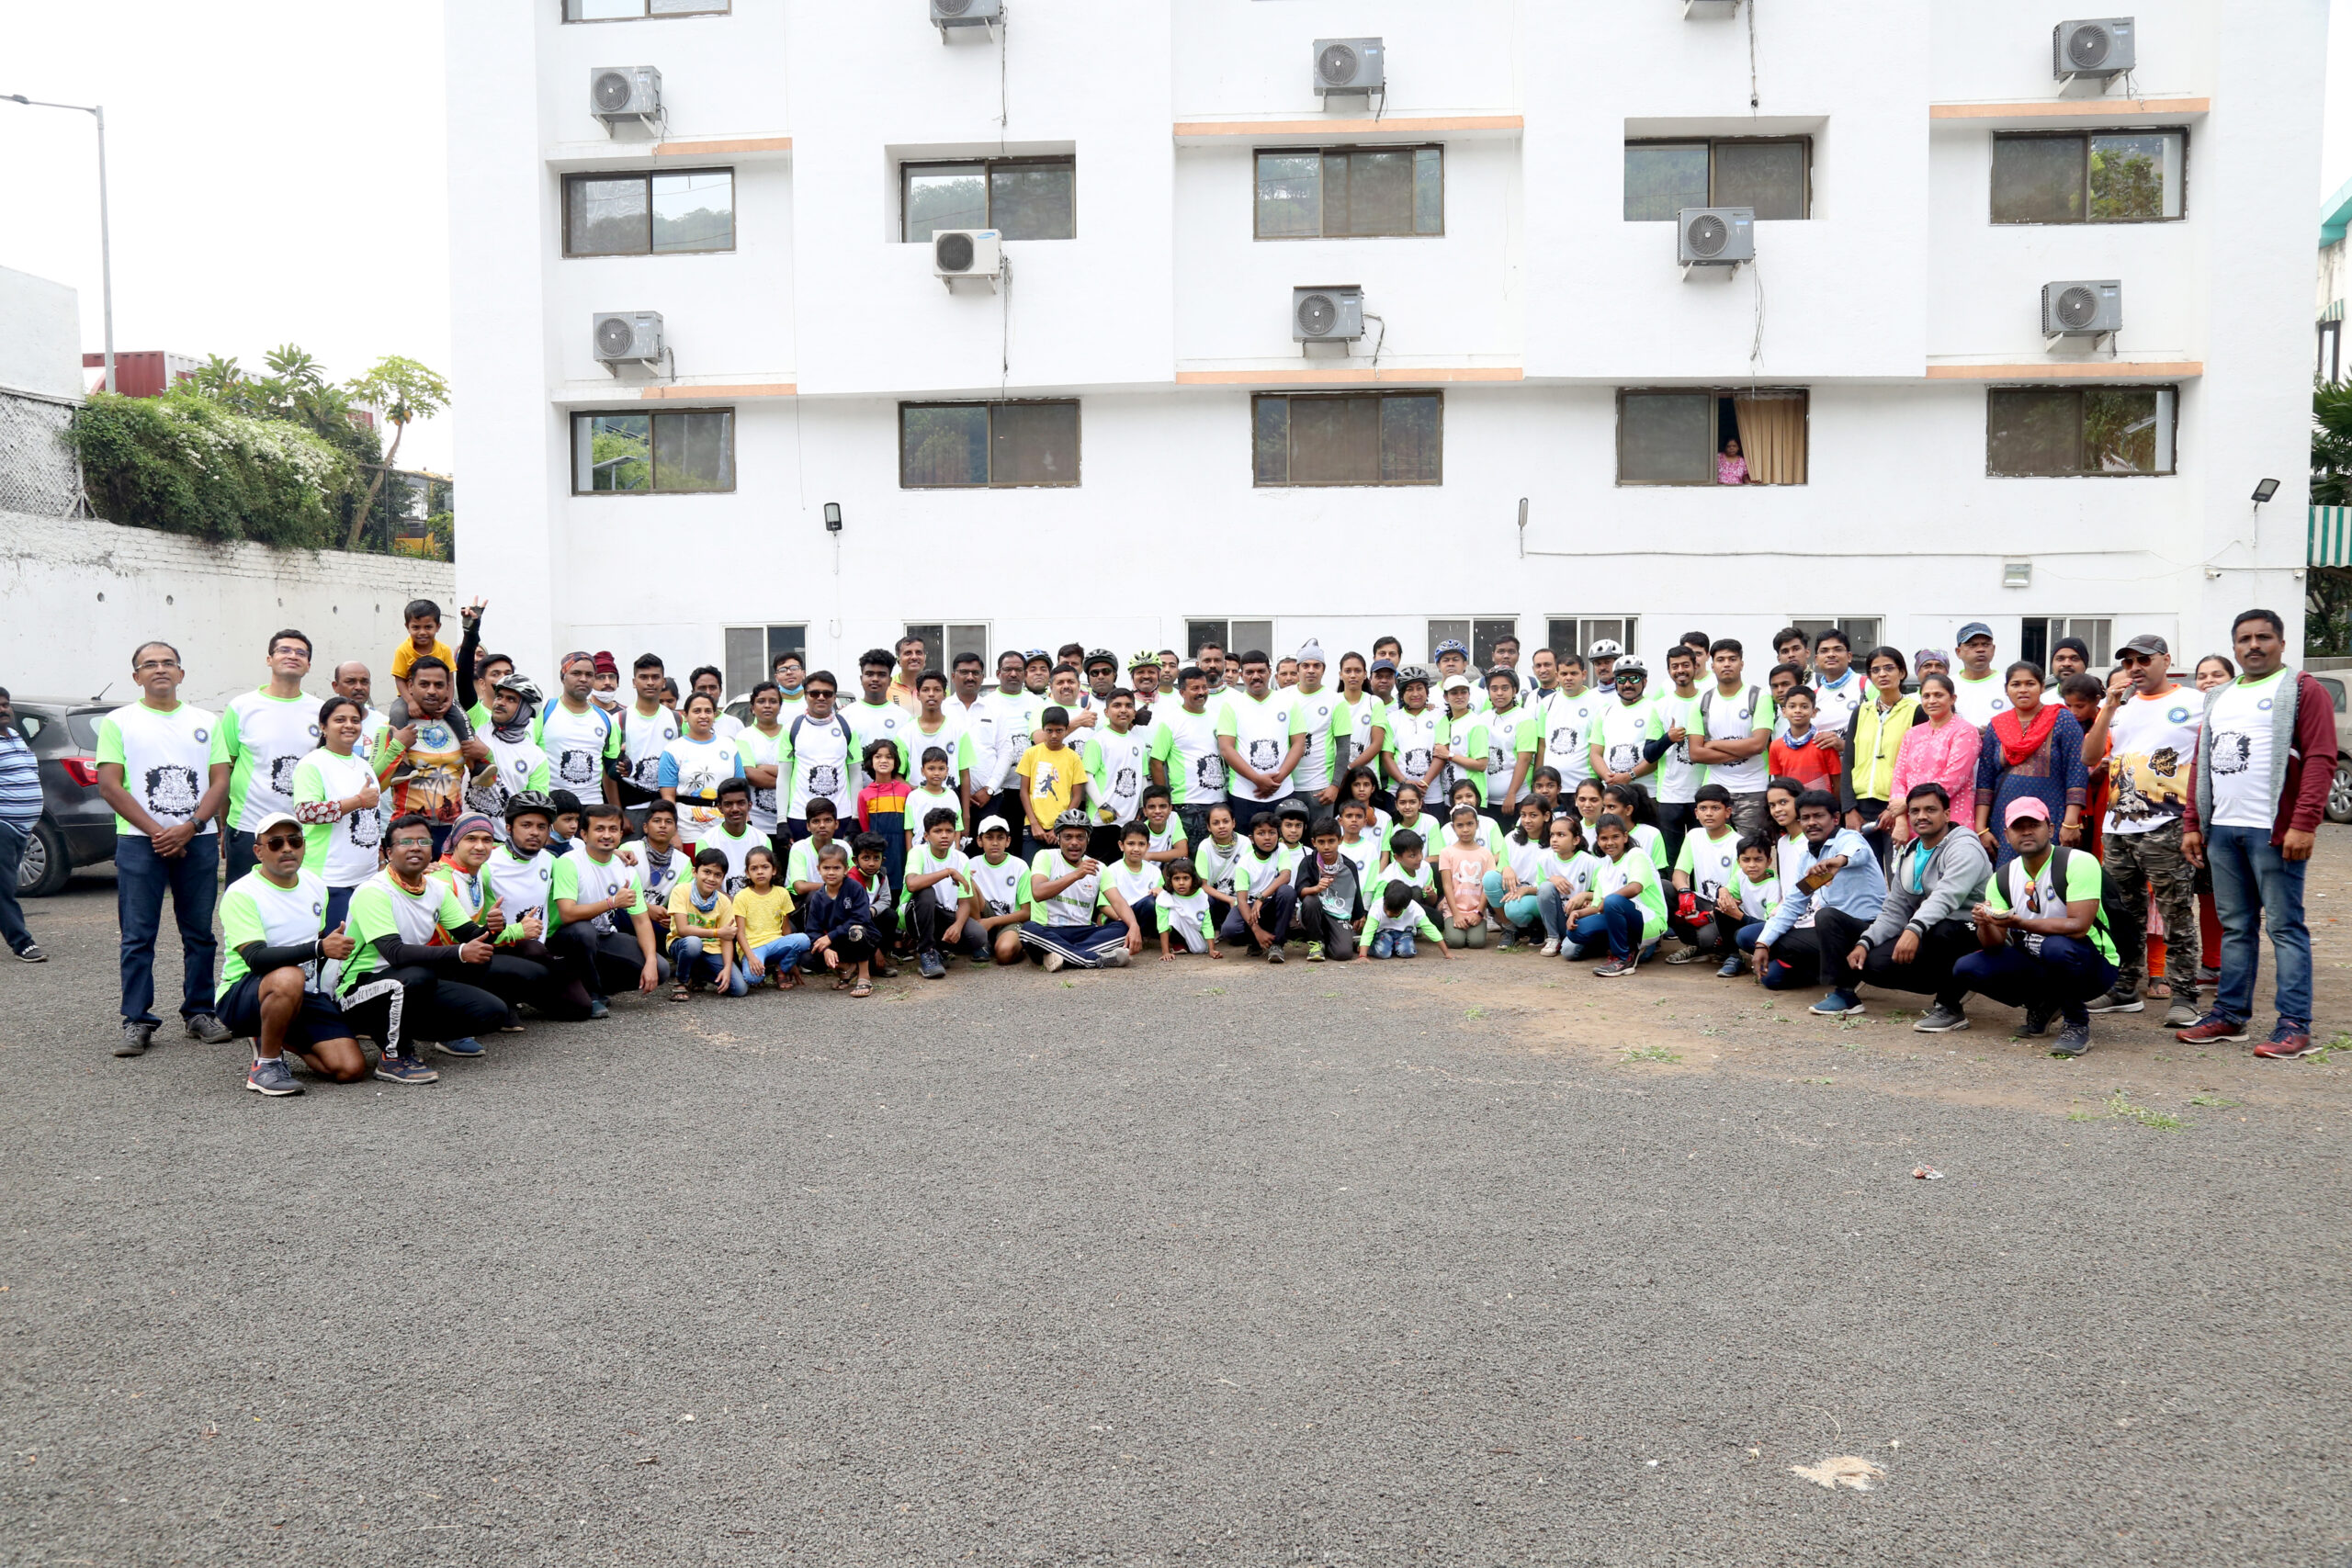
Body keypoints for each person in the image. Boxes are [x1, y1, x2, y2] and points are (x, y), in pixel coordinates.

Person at [2177, 609, 2337, 1059]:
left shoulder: (2302, 688)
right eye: (2245, 638)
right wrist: (2193, 823)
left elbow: (2321, 757)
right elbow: (2201, 762)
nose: (2254, 645)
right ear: (2234, 647)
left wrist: (2304, 822)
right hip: (2223, 831)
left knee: (2285, 927)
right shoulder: (2219, 696)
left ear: (2281, 643)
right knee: (2235, 927)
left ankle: (2294, 1025)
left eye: (2263, 637)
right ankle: (2229, 1015)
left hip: (2274, 831)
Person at [97, 640, 232, 1056]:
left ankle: (200, 1012)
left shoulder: (206, 721)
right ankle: (137, 1020)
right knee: (138, 936)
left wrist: (191, 827)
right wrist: (160, 832)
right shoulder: (119, 722)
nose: (160, 669)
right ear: (136, 676)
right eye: (149, 664)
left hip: (198, 840)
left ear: (181, 673)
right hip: (140, 842)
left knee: (200, 934)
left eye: (168, 663)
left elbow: (220, 780)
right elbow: (110, 785)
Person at [2072, 635, 2202, 1028]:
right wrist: (2109, 708)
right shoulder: (2121, 709)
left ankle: (2185, 996)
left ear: (2166, 660)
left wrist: (2196, 822)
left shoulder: (2194, 702)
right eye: (2128, 662)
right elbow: (2089, 756)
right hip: (2118, 826)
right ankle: (2125, 987)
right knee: (2122, 913)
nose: (2135, 668)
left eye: (2143, 660)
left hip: (2167, 824)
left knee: (2175, 910)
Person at [335, 813, 514, 1081]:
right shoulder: (374, 891)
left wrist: (493, 928)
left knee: (492, 1009)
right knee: (419, 974)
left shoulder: (436, 889)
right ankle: (394, 1057)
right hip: (356, 991)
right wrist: (459, 952)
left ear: (433, 848)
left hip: (406, 983)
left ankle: (413, 1032)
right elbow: (394, 953)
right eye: (405, 842)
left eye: (423, 841)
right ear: (388, 851)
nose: (416, 847)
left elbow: (472, 937)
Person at [1952, 795, 2119, 1058]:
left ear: (2050, 829)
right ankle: (2044, 1004)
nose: (2027, 831)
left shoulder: (2078, 862)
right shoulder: (2002, 877)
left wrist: (2021, 922)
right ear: (2007, 835)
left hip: (2094, 965)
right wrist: (1984, 923)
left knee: (2056, 947)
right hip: (2040, 961)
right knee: (1966, 967)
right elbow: (1994, 944)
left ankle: (2076, 1023)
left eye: (2034, 824)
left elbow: (2079, 927)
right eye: (2018, 827)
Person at [215, 811, 365, 1095]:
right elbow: (256, 958)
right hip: (244, 994)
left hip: (302, 994)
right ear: (258, 851)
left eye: (295, 841)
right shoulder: (242, 893)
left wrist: (330, 946)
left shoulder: (315, 885)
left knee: (350, 1069)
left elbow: (315, 940)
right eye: (275, 843)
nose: (287, 848)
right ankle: (266, 1065)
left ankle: (275, 1033)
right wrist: (320, 948)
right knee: (289, 977)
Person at [1826, 783, 1991, 1031]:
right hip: (1931, 929)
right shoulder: (1911, 852)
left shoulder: (1965, 847)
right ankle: (1951, 982)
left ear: (1947, 814)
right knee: (1873, 965)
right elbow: (1895, 908)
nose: (1921, 816)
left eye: (1930, 810)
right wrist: (1865, 942)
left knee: (1943, 929)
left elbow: (1946, 896)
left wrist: (1913, 929)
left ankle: (1949, 1006)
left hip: (1976, 930)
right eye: (1915, 811)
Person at [1754, 788, 1884, 998]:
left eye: (1818, 816)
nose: (1811, 822)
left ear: (1835, 818)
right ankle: (1831, 969)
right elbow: (1793, 904)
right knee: (1757, 938)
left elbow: (1856, 852)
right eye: (1805, 818)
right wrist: (1763, 944)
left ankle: (1844, 994)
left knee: (1826, 915)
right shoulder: (1809, 858)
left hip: (1868, 928)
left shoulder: (1849, 839)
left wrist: (1839, 861)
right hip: (1834, 934)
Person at [219, 629, 320, 885]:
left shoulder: (320, 711)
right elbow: (224, 768)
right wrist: (225, 823)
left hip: (302, 830)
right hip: (249, 827)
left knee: (300, 899)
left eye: (301, 653)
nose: (293, 656)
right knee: (245, 899)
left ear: (308, 665)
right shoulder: (242, 707)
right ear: (269, 659)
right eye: (284, 650)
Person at [548, 802, 666, 1017]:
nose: (606, 835)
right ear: (584, 834)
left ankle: (593, 987)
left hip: (602, 936)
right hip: (563, 938)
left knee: (661, 968)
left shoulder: (626, 869)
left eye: (613, 829)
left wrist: (650, 961)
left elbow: (641, 921)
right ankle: (591, 994)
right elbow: (567, 914)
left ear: (621, 834)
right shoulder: (569, 862)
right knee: (584, 932)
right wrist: (612, 902)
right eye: (599, 829)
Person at [1973, 663, 2087, 867]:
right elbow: (1985, 780)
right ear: (2006, 689)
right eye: (2016, 684)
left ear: (2042, 687)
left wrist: (2070, 822)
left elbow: (2076, 773)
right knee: (2009, 876)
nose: (2023, 689)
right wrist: (1981, 828)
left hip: (2052, 816)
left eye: (2030, 684)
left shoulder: (2062, 720)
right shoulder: (1997, 726)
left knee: (2051, 874)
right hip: (2004, 819)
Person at [291, 696, 385, 933]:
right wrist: (357, 801)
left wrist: (381, 859)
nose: (349, 725)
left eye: (355, 720)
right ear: (323, 727)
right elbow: (306, 812)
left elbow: (372, 819)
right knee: (335, 948)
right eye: (340, 720)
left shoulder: (363, 765)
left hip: (366, 878)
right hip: (330, 879)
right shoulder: (313, 764)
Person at [376, 656, 487, 855]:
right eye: (424, 684)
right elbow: (374, 784)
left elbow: (487, 781)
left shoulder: (460, 728)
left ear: (448, 688)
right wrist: (398, 746)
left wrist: (488, 754)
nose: (432, 691)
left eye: (439, 685)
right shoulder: (392, 728)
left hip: (451, 832)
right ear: (410, 686)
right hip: (408, 830)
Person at [1020, 809, 1138, 971]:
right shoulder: (1045, 857)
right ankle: (1094, 959)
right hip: (1049, 931)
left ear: (1088, 839)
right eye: (1068, 837)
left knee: (1124, 927)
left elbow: (1117, 901)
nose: (1074, 842)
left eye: (1080, 837)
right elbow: (1038, 893)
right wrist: (1076, 874)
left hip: (1083, 932)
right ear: (1058, 838)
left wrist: (1134, 925)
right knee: (1028, 931)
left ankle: (1063, 956)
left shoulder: (1099, 867)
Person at [1838, 647, 1919, 863]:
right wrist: (1849, 809)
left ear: (1902, 673)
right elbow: (1849, 761)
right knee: (1864, 874)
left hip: (1898, 807)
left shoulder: (1916, 711)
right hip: (1861, 808)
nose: (1882, 674)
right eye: (1875, 670)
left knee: (1898, 873)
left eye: (1889, 668)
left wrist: (1898, 810)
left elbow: (1919, 767)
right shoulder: (1861, 711)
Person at [1689, 639, 1775, 837]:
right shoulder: (1702, 702)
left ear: (1741, 664)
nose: (1726, 664)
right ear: (1712, 665)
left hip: (1754, 789)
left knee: (1752, 850)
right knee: (1717, 849)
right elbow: (1696, 753)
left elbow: (1758, 745)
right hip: (1715, 791)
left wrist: (1714, 744)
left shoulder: (1759, 697)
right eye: (1721, 660)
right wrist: (1743, 749)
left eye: (1732, 659)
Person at [1564, 813, 1668, 976]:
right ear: (1598, 841)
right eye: (1604, 838)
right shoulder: (1604, 868)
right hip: (1621, 918)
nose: (1610, 842)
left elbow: (1636, 887)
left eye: (1615, 837)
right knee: (1576, 931)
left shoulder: (1636, 855)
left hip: (1649, 920)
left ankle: (1622, 959)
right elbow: (1598, 907)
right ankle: (1625, 947)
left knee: (1613, 901)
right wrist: (1578, 913)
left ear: (1625, 837)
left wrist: (1608, 901)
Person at [1218, 651, 1306, 832]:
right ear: (1241, 675)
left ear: (1270, 672)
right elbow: (1226, 749)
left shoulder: (1288, 702)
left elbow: (1298, 744)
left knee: (1283, 845)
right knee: (1247, 846)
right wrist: (1257, 779)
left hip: (1282, 792)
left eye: (1261, 671)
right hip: (1243, 795)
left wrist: (1277, 780)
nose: (1256, 676)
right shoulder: (1231, 705)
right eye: (1250, 672)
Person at [973, 650, 1045, 852]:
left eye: (1018, 670)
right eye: (1008, 669)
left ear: (1025, 673)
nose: (1013, 674)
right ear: (998, 673)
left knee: (1027, 846)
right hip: (998, 791)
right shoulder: (986, 704)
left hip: (1030, 790)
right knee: (1000, 846)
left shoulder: (1038, 703)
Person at [1149, 666, 1228, 848]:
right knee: (1191, 857)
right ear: (1182, 692)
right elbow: (1156, 762)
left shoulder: (1218, 719)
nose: (1201, 692)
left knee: (1219, 854)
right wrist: (1164, 799)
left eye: (1204, 687)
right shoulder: (1171, 721)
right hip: (1188, 804)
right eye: (1195, 688)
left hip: (1219, 801)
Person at [1665, 784, 1742, 964]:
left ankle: (1719, 948)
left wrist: (1709, 916)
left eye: (1715, 808)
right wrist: (1684, 892)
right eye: (1703, 808)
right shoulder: (1694, 836)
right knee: (1664, 887)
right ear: (1696, 813)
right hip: (1701, 901)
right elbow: (1679, 873)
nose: (1709, 813)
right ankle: (1694, 944)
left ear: (1728, 812)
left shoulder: (1738, 843)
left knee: (1708, 939)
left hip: (1726, 909)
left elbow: (1738, 894)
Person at [904, 807, 984, 977]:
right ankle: (926, 952)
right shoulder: (918, 852)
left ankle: (939, 949)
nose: (944, 835)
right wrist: (948, 872)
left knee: (978, 935)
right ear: (926, 836)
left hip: (943, 914)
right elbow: (912, 884)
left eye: (949, 831)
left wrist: (958, 926)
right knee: (926, 892)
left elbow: (964, 902)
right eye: (938, 831)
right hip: (913, 913)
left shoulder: (961, 858)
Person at [536, 652, 623, 808]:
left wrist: (623, 766)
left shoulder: (606, 719)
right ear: (563, 677)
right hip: (552, 805)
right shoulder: (543, 711)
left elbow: (611, 770)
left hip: (592, 807)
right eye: (576, 673)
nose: (583, 679)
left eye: (589, 675)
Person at [660, 692, 744, 849]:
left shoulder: (729, 746)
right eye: (697, 711)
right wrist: (673, 833)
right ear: (685, 715)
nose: (703, 716)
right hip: (688, 829)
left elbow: (741, 790)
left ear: (714, 715)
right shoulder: (673, 750)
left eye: (708, 711)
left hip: (726, 826)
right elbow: (668, 797)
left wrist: (746, 824)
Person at [781, 671, 854, 841]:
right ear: (805, 696)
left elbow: (855, 775)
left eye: (827, 693)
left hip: (840, 815)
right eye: (814, 693)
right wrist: (781, 821)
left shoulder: (847, 728)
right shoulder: (792, 728)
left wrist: (856, 817)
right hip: (801, 816)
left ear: (834, 697)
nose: (821, 697)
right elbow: (783, 778)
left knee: (838, 859)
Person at [1079, 686, 1149, 863]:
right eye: (1117, 705)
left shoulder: (1139, 742)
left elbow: (1142, 777)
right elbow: (1087, 776)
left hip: (1129, 821)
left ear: (1134, 712)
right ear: (1106, 712)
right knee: (1098, 869)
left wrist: (1143, 805)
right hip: (1102, 820)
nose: (1123, 710)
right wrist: (1102, 805)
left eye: (1128, 705)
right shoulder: (1098, 740)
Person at [803, 841, 883, 996]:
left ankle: (864, 977)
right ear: (818, 869)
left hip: (863, 939)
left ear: (846, 869)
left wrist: (830, 936)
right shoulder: (818, 897)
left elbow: (861, 918)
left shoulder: (854, 888)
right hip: (836, 943)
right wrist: (826, 949)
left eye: (836, 868)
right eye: (826, 868)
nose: (831, 872)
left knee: (856, 931)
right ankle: (846, 968)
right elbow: (812, 931)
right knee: (806, 957)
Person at [0, 690, 44, 962]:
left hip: (21, 828)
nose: (2, 709)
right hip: (3, 824)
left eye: (5, 705)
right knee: (3, 888)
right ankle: (22, 942)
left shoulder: (15, 736)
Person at [667, 848, 744, 999]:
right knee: (693, 944)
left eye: (717, 875)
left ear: (723, 878)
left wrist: (727, 968)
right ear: (694, 872)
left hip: (712, 949)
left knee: (739, 988)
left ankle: (697, 973)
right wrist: (716, 932)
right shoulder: (681, 891)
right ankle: (681, 981)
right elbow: (682, 929)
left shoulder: (724, 902)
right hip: (683, 944)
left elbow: (726, 938)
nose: (711, 878)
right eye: (707, 872)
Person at [1226, 809, 1296, 959]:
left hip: (1270, 904)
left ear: (1278, 835)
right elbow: (1242, 901)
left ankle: (1277, 944)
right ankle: (1256, 941)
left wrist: (1261, 897)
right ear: (1252, 838)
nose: (1267, 838)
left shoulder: (1282, 850)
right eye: (1261, 833)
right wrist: (1256, 930)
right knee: (1230, 929)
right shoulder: (1244, 863)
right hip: (1252, 908)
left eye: (1272, 832)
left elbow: (1285, 876)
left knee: (1287, 892)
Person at [737, 844, 811, 989]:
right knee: (753, 978)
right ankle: (763, 968)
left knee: (804, 940)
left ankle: (781, 971)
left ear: (774, 870)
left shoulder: (782, 893)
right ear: (747, 873)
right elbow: (740, 933)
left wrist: (791, 962)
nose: (760, 872)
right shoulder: (742, 897)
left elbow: (786, 929)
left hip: (777, 944)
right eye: (754, 868)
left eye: (765, 867)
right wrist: (751, 958)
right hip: (753, 947)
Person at [965, 816, 1034, 965]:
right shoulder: (970, 864)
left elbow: (1026, 913)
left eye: (1000, 838)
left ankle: (1016, 945)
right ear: (979, 841)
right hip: (981, 917)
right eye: (989, 837)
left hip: (1010, 921)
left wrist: (992, 921)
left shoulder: (1020, 866)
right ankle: (981, 942)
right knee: (967, 881)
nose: (995, 843)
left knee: (1004, 954)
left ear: (1008, 841)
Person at [620, 654, 681, 821]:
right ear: (634, 682)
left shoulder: (678, 720)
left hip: (668, 806)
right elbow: (608, 773)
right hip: (631, 808)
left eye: (655, 677)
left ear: (663, 681)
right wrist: (618, 813)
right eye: (643, 677)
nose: (650, 682)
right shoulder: (619, 719)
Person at [1531, 814, 1600, 958]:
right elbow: (1541, 892)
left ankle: (1588, 943)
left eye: (1561, 835)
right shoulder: (1545, 860)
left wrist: (1585, 895)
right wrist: (1551, 879)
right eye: (1552, 835)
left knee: (1569, 952)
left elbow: (1601, 894)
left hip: (1579, 919)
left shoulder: (1590, 862)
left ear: (1576, 840)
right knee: (1546, 887)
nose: (1554, 839)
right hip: (1560, 919)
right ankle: (1553, 938)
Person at [1486, 796, 1552, 947]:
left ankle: (1536, 925)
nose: (1527, 820)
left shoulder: (1553, 842)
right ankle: (1509, 928)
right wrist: (1506, 868)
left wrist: (1526, 890)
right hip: (1515, 891)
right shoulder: (1511, 838)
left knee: (1514, 909)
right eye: (1523, 815)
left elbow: (1550, 885)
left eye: (1533, 815)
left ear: (1546, 816)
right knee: (1490, 878)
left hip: (1537, 894)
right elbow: (1501, 868)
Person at [1591, 657, 1659, 788]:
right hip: (1613, 791)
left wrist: (1629, 776)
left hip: (1647, 791)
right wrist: (1609, 778)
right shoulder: (1604, 713)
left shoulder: (1655, 710)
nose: (1627, 684)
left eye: (1634, 679)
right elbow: (1595, 754)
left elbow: (1658, 755)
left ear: (1644, 682)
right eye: (1621, 680)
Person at [1436, 805, 1498, 950]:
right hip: (1454, 910)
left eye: (1470, 824)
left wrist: (1479, 912)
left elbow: (1487, 887)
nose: (1465, 829)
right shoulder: (1446, 853)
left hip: (1476, 910)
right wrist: (1456, 914)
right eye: (1460, 825)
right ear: (1453, 827)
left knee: (1476, 942)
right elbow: (1447, 885)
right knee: (1455, 942)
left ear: (1477, 824)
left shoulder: (1486, 854)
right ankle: (1450, 925)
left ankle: (1474, 923)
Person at [855, 737, 912, 885]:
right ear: (871, 761)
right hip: (877, 849)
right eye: (878, 756)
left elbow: (910, 823)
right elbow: (865, 826)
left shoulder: (905, 790)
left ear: (895, 762)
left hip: (901, 847)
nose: (883, 760)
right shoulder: (864, 794)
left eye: (889, 757)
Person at [1384, 666, 1442, 804]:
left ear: (1427, 691)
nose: (1415, 694)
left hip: (1431, 795)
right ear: (1402, 694)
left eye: (1419, 688)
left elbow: (1441, 754)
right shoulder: (1391, 719)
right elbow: (1387, 757)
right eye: (1409, 689)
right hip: (1397, 793)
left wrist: (1424, 783)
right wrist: (1405, 782)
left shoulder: (1438, 716)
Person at [1356, 877, 1449, 962]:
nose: (1388, 914)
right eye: (1386, 909)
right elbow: (1368, 931)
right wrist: (1362, 956)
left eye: (1394, 912)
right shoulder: (1377, 907)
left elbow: (1430, 929)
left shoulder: (1415, 909)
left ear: (1405, 907)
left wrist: (1447, 953)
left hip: (1403, 934)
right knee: (1383, 953)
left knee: (1408, 952)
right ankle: (1363, 946)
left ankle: (1390, 946)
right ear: (1384, 900)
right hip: (1382, 933)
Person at [1768, 684, 1840, 792]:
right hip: (1792, 801)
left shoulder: (1823, 742)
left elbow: (1837, 782)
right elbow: (1780, 784)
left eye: (1804, 707)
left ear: (1814, 712)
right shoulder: (1776, 746)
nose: (1798, 710)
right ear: (1784, 712)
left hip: (1821, 801)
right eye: (1792, 706)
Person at [1950, 623, 2011, 728]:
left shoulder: (2010, 683)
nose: (1980, 649)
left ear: (1993, 649)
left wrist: (1994, 733)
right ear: (1958, 652)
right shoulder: (1948, 686)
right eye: (1972, 645)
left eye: (1986, 644)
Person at [1156, 857, 1217, 959]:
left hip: (1196, 935)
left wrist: (1212, 950)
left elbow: (1207, 923)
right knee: (1173, 913)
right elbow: (1163, 925)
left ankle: (1189, 945)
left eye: (1186, 878)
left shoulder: (1201, 895)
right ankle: (1176, 944)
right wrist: (1165, 952)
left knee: (1200, 949)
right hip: (1176, 932)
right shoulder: (1165, 897)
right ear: (1170, 880)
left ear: (1193, 879)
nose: (1181, 883)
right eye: (1176, 879)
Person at [390, 599, 451, 697]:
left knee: (457, 708)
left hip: (438, 697)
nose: (422, 632)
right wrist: (410, 702)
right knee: (398, 708)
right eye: (416, 627)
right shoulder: (402, 651)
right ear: (407, 627)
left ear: (438, 627)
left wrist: (448, 700)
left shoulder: (444, 650)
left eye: (428, 627)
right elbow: (399, 680)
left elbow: (450, 679)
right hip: (409, 697)